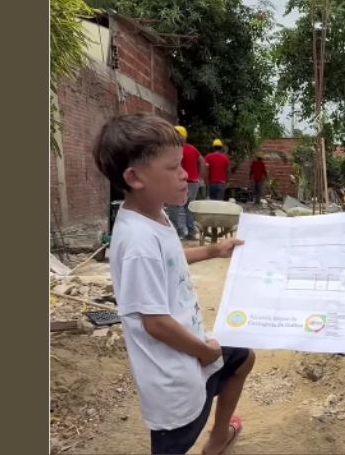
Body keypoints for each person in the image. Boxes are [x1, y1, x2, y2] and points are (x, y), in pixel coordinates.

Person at [93, 113, 254, 455]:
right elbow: (156, 323)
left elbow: (171, 261)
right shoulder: (136, 242)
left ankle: (217, 438)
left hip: (193, 350)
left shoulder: (155, 213)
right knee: (174, 441)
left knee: (242, 358)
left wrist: (212, 249)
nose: (186, 175)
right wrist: (205, 351)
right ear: (135, 178)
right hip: (173, 376)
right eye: (174, 167)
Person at [165, 126, 205, 240]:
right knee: (189, 207)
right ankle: (191, 233)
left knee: (174, 206)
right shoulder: (192, 148)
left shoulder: (174, 149)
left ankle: (178, 232)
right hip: (193, 183)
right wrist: (199, 177)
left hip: (180, 181)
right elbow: (202, 161)